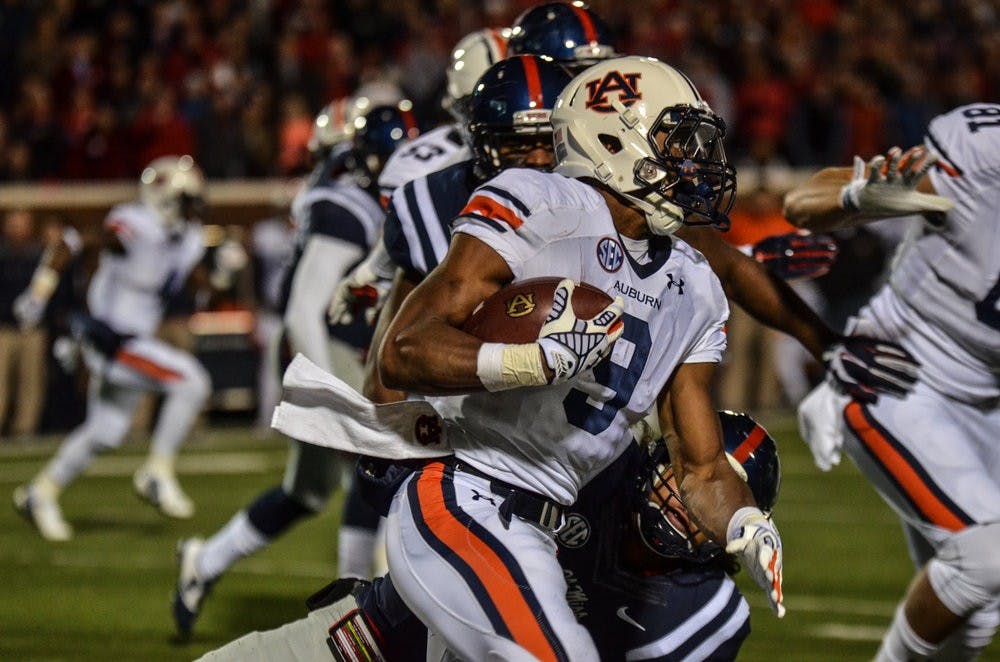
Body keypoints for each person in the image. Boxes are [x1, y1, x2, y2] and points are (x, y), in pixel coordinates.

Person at [369, 55, 783, 661]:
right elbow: (403, 352)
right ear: (612, 139)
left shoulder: (695, 286)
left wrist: (747, 527)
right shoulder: (542, 204)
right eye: (676, 143)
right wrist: (524, 363)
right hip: (463, 493)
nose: (696, 165)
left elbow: (700, 470)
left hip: (551, 530)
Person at [195, 410, 782, 662]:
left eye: (717, 496)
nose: (685, 504)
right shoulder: (591, 462)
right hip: (380, 638)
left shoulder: (705, 612)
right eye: (689, 478)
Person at [171, 101, 420, 637]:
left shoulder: (342, 197)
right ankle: (355, 606)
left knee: (307, 493)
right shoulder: (345, 204)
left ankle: (205, 560)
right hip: (329, 349)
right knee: (379, 461)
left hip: (331, 349)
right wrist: (327, 389)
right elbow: (306, 305)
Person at [785, 102, 1000, 661]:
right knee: (987, 558)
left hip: (989, 400)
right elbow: (802, 203)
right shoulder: (980, 155)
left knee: (980, 603)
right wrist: (860, 197)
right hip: (898, 375)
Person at [12, 155, 218, 541]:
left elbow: (193, 280)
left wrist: (216, 277)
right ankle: (157, 471)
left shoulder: (186, 237)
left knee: (106, 431)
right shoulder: (135, 224)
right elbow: (72, 242)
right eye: (188, 200)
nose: (194, 208)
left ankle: (39, 493)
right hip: (112, 338)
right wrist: (39, 294)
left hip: (134, 341)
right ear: (166, 198)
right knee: (191, 381)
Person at [0, 209, 50, 439]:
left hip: (32, 329)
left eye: (22, 224)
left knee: (31, 382)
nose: (18, 229)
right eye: (14, 224)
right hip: (4, 328)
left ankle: (25, 430)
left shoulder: (40, 255)